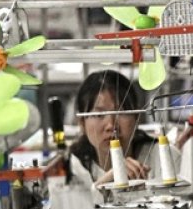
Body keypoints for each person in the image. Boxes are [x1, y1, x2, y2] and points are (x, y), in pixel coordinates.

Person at [67, 70, 180, 200]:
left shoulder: (163, 158)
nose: (111, 125)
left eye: (121, 112)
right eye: (99, 115)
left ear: (136, 117)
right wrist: (102, 184)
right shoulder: (73, 169)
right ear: (82, 123)